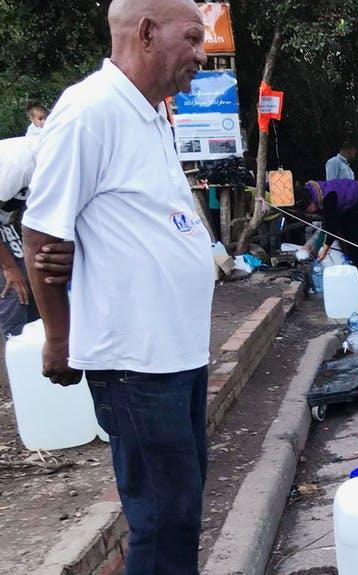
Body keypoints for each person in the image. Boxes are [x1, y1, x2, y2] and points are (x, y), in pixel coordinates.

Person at [22, 1, 212, 572]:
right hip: (135, 362)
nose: (201, 55)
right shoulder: (90, 111)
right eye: (194, 38)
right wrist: (59, 337)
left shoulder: (152, 114)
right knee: (160, 518)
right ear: (148, 33)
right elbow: (42, 233)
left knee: (180, 510)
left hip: (178, 354)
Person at [0, 137, 41, 336]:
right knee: (14, 289)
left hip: (7, 221)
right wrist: (9, 267)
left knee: (33, 280)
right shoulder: (18, 164)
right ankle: (8, 350)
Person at [296, 178, 358, 269]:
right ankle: (351, 263)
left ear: (311, 201)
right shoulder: (311, 194)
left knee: (355, 239)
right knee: (342, 235)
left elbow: (331, 227)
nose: (309, 211)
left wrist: (325, 248)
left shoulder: (328, 197)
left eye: (308, 208)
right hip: (344, 205)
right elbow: (328, 223)